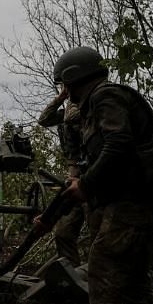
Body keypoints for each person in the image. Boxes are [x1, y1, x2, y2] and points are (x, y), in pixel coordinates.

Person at [42, 46, 153, 304]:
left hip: (140, 198)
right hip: (137, 196)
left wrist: (86, 186)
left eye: (64, 84)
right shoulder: (96, 106)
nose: (64, 91)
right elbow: (106, 157)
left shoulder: (106, 97)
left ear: (74, 77)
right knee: (130, 271)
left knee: (104, 261)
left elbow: (119, 145)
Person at [38, 88, 86, 267]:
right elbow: (43, 120)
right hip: (74, 178)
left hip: (94, 177)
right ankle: (72, 277)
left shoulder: (92, 107)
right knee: (63, 233)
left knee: (102, 237)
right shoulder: (67, 111)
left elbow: (72, 117)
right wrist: (60, 98)